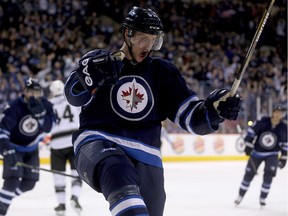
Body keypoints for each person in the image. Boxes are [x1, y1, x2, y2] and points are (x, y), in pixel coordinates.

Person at [64, 6, 242, 216]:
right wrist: (89, 75)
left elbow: (193, 119)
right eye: (142, 38)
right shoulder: (100, 61)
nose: (148, 46)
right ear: (127, 33)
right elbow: (73, 95)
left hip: (147, 156)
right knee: (119, 174)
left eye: (153, 40)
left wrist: (215, 110)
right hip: (99, 142)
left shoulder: (163, 73)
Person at [0, 77, 57, 216]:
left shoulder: (46, 105)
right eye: (32, 92)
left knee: (29, 183)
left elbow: (50, 128)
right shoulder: (15, 107)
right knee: (12, 181)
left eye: (38, 93)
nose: (35, 95)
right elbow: (3, 131)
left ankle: (3, 200)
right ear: (25, 91)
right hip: (14, 148)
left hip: (32, 150)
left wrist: (42, 116)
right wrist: (6, 149)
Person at [234, 104, 287, 207]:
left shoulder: (284, 128)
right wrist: (248, 145)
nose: (277, 114)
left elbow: (285, 144)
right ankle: (240, 195)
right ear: (273, 112)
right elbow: (251, 132)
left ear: (282, 115)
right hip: (257, 153)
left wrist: (284, 158)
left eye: (280, 113)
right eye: (276, 112)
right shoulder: (263, 121)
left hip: (273, 154)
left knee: (269, 175)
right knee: (248, 175)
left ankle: (263, 197)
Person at [48, 80, 83, 216]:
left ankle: (61, 205)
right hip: (73, 140)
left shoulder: (49, 104)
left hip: (56, 143)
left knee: (58, 177)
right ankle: (75, 197)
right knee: (76, 173)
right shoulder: (71, 98)